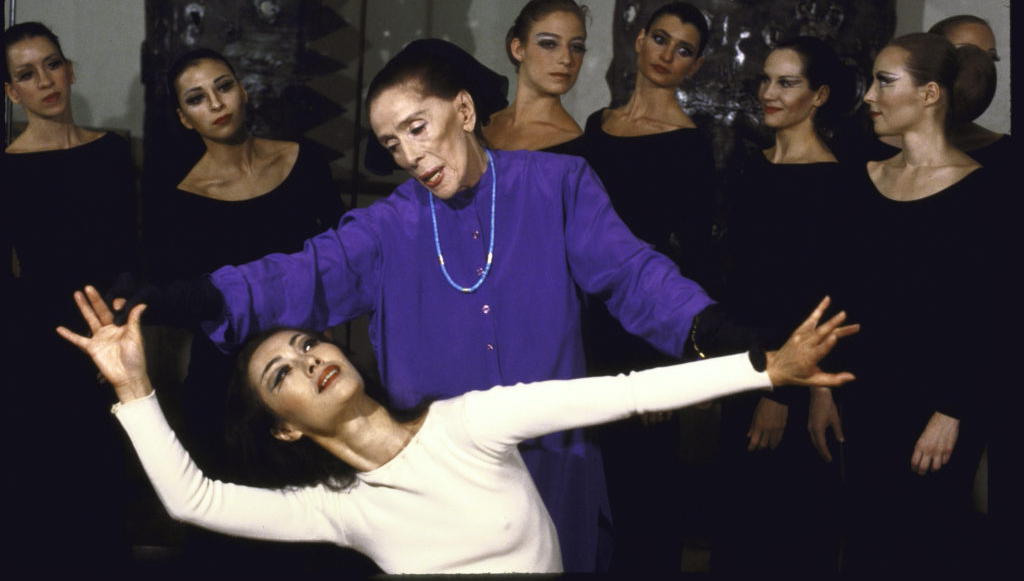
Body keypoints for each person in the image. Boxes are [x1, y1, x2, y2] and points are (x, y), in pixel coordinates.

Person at [114, 38, 786, 571]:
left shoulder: (557, 185)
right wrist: (185, 296)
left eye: (418, 127)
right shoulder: (390, 226)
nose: (409, 153)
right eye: (392, 144)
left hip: (554, 462)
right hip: (433, 481)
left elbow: (635, 276)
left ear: (463, 112)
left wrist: (714, 329)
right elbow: (301, 275)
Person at [60, 286, 858, 574]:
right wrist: (133, 386)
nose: (308, 362)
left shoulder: (470, 424)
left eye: (308, 345)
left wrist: (764, 370)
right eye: (282, 377)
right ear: (284, 432)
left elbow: (623, 390)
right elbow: (192, 499)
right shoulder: (341, 510)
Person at [147, 48, 348, 564]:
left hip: (307, 370)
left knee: (318, 526)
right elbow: (180, 301)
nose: (217, 103)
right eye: (197, 98)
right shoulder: (180, 199)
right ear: (183, 117)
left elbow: (345, 263)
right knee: (229, 537)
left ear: (242, 87)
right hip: (223, 386)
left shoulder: (304, 162)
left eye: (224, 86)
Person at [829, 33, 1004, 573]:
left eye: (885, 82)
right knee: (861, 542)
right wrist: (824, 385)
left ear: (929, 94)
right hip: (862, 396)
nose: (870, 97)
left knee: (928, 544)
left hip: (939, 406)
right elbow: (841, 293)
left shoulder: (984, 192)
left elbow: (992, 318)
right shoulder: (862, 179)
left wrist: (953, 410)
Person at [575, 1, 716, 571]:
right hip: (585, 323)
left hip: (645, 332)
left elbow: (699, 261)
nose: (667, 55)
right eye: (661, 39)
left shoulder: (688, 143)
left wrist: (667, 361)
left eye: (683, 50)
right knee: (587, 483)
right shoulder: (597, 127)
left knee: (644, 492)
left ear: (695, 66)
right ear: (638, 40)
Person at [713, 36, 856, 572]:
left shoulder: (837, 183)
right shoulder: (752, 168)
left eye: (786, 83)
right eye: (766, 80)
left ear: (818, 95)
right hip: (740, 371)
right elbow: (741, 284)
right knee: (736, 531)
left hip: (791, 384)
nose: (769, 93)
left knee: (789, 534)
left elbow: (828, 299)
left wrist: (784, 395)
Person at [1, 21, 137, 565]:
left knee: (104, 474)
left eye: (52, 64)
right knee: (40, 480)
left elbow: (129, 250)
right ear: (12, 92)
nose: (45, 81)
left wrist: (121, 323)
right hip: (33, 340)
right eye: (26, 74)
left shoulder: (111, 152)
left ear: (70, 69)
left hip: (107, 332)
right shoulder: (6, 169)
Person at [482, 0, 587, 153]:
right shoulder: (483, 125)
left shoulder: (575, 145)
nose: (566, 59)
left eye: (577, 47)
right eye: (549, 44)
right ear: (518, 49)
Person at [927, 15, 1008, 168]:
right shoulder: (877, 147)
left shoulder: (1007, 152)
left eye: (990, 57)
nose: (980, 67)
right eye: (965, 53)